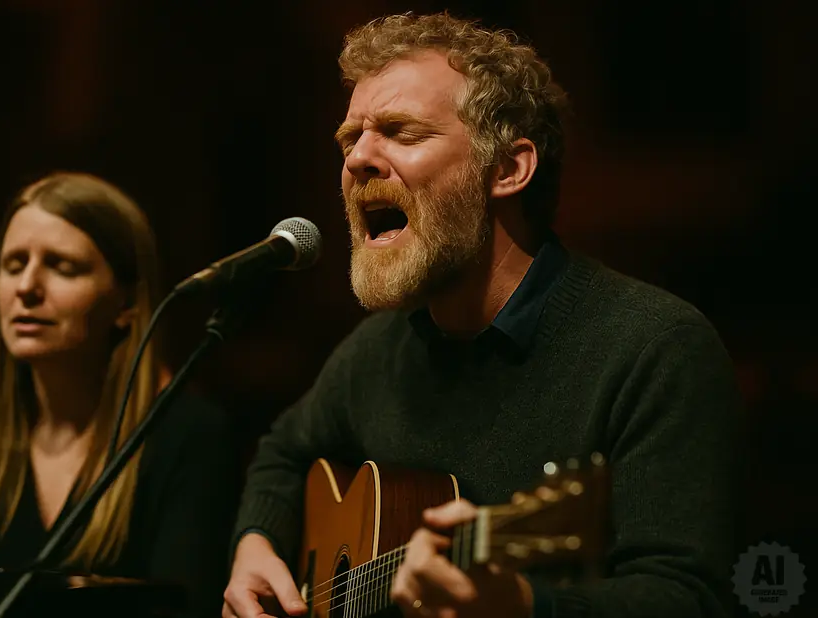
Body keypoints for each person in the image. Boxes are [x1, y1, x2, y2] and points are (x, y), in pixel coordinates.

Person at [223, 12, 743, 618]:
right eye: (350, 138)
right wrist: (254, 542)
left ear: (508, 169)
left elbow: (687, 597)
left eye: (401, 132)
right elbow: (283, 453)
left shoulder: (653, 348)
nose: (358, 158)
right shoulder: (379, 350)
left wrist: (524, 605)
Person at [0, 172, 241, 618]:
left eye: (62, 266)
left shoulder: (187, 437)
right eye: (13, 265)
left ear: (127, 303)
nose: (27, 287)